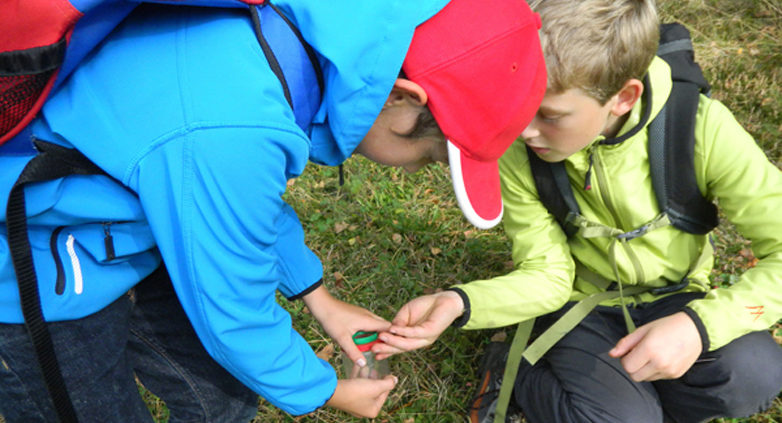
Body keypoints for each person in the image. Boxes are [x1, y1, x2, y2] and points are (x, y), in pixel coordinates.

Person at [0, 0, 547, 422]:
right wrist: (326, 390)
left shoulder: (289, 45)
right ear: (402, 97)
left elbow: (244, 204)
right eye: (429, 157)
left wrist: (320, 299)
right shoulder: (231, 128)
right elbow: (234, 314)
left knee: (219, 400)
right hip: (33, 270)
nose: (413, 172)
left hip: (125, 230)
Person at [375, 0, 782, 422]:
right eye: (522, 105)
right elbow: (547, 275)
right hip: (582, 307)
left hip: (676, 296)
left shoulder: (701, 128)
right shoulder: (519, 149)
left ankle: (628, 399)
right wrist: (460, 302)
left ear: (624, 97)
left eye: (551, 115)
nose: (526, 129)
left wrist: (698, 328)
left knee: (753, 375)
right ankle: (518, 370)